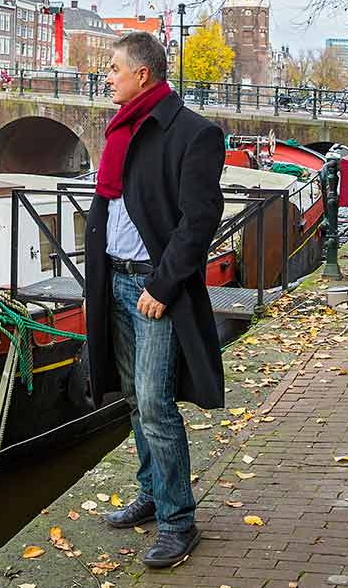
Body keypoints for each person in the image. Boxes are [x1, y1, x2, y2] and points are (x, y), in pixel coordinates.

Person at [82, 31, 225, 569]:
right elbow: (112, 208)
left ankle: (177, 521)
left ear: (143, 74)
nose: (107, 76)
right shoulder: (120, 130)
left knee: (156, 404)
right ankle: (151, 493)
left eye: (114, 68)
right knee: (131, 398)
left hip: (152, 289)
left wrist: (162, 287)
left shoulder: (193, 133)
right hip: (113, 282)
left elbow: (198, 221)